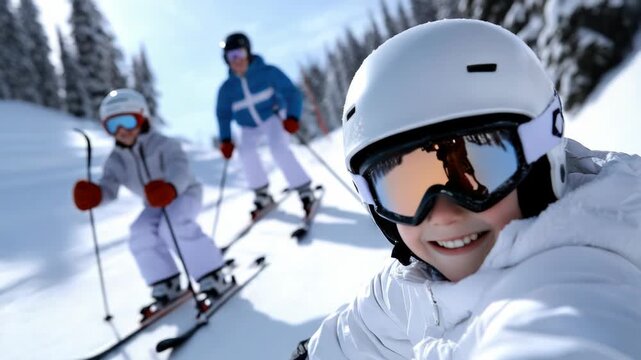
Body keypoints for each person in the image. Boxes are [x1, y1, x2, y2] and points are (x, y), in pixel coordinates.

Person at [300, 19, 641, 359]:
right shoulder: (418, 281)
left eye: (481, 167)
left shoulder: (580, 284)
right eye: (405, 186)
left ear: (542, 163)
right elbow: (362, 332)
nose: (443, 214)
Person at [72, 89, 233, 304]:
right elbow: (109, 187)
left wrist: (171, 187)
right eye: (113, 125)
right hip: (154, 203)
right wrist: (96, 195)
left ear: (142, 118)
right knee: (140, 231)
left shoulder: (164, 144)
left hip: (184, 194)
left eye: (127, 122)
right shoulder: (115, 160)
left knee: (174, 225)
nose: (121, 131)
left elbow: (181, 170)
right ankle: (166, 281)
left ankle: (212, 273)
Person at [215, 32, 316, 217]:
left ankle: (304, 190)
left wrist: (292, 116)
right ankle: (262, 194)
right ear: (226, 60)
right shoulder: (227, 88)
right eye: (231, 56)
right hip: (247, 126)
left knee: (278, 148)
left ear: (248, 53)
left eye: (239, 54)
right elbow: (223, 114)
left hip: (272, 117)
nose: (237, 60)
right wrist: (226, 140)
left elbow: (292, 93)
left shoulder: (268, 72)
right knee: (246, 152)